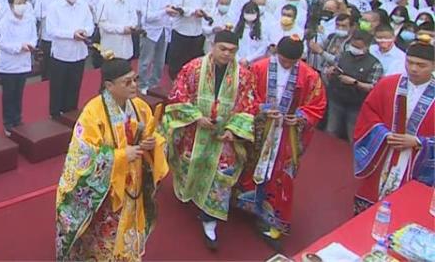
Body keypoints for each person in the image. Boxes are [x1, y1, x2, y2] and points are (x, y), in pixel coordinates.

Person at [56, 58, 168, 261]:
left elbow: (155, 133)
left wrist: (153, 144)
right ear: (109, 86)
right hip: (106, 194)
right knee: (103, 242)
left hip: (134, 186)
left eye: (135, 79)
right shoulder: (93, 113)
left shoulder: (139, 107)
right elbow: (81, 157)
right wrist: (121, 156)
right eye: (127, 82)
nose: (134, 85)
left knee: (129, 235)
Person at [163, 30, 258, 250]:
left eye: (232, 51)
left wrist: (234, 130)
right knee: (191, 166)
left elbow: (249, 104)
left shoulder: (243, 75)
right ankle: (190, 194)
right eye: (223, 49)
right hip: (194, 132)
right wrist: (195, 116)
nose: (226, 54)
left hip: (224, 136)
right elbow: (178, 94)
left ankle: (209, 219)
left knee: (220, 177)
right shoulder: (193, 68)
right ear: (213, 46)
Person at [235, 36, 326, 249]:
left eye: (291, 62)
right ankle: (246, 204)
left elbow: (318, 103)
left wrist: (301, 116)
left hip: (288, 133)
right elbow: (246, 95)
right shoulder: (259, 68)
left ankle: (273, 217)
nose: (286, 64)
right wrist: (263, 108)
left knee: (282, 174)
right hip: (261, 129)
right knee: (251, 164)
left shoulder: (310, 75)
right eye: (283, 60)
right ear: (276, 53)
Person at [352, 38, 435, 213]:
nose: (413, 68)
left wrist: (419, 142)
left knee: (406, 212)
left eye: (421, 65)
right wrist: (383, 134)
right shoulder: (388, 84)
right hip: (383, 153)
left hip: (417, 162)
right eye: (410, 62)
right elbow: (369, 113)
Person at [44, 0, 94, 118]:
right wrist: (72, 34)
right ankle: (55, 115)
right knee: (58, 87)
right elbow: (51, 30)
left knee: (74, 86)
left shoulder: (83, 5)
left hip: (79, 53)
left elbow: (90, 25)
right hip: (61, 53)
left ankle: (70, 113)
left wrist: (85, 32)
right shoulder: (54, 7)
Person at [324, 29, 383, 141]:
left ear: (366, 47)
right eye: (353, 45)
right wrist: (330, 72)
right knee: (331, 130)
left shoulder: (375, 64)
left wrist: (355, 83)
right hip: (336, 99)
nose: (354, 48)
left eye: (358, 47)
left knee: (353, 134)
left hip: (356, 105)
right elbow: (333, 67)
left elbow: (373, 88)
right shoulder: (344, 55)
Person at [0, 0, 37, 135]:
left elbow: (34, 37)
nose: (21, 6)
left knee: (19, 93)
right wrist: (19, 47)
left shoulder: (29, 20)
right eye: (18, 3)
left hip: (24, 64)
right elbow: (3, 43)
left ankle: (17, 119)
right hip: (8, 65)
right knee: (9, 94)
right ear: (11, 4)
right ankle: (8, 123)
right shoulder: (4, 22)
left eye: (23, 2)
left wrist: (30, 45)